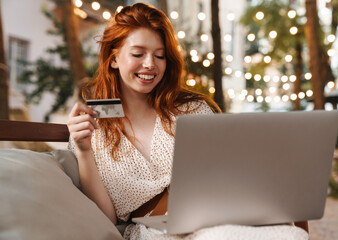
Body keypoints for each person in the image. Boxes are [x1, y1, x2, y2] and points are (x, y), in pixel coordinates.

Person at [67, 3, 308, 239]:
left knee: (289, 234)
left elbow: (230, 172)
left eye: (159, 55)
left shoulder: (191, 109)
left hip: (215, 214)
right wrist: (84, 150)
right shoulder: (93, 130)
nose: (150, 64)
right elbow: (106, 218)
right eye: (138, 54)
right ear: (114, 59)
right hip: (155, 231)